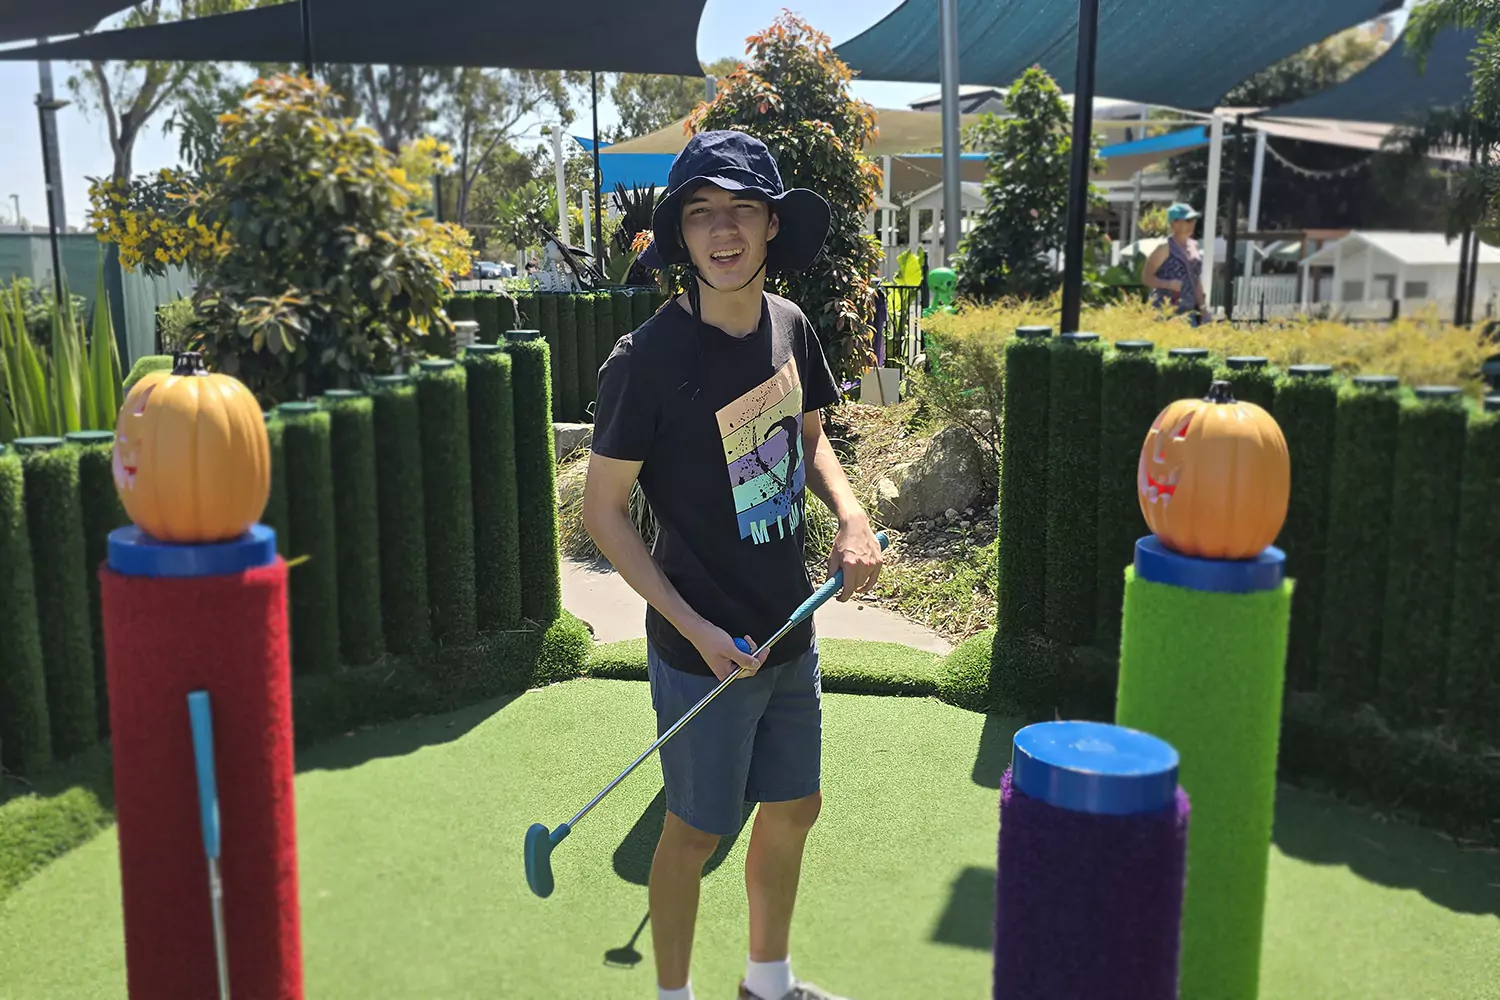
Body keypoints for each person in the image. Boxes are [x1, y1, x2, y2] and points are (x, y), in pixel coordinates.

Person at [583, 130, 884, 1000]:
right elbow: (604, 513)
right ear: (679, 233)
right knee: (694, 832)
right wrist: (694, 629)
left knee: (795, 807)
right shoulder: (645, 361)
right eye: (702, 212)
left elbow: (810, 439)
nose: (723, 230)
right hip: (701, 650)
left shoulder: (790, 326)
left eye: (743, 209)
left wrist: (852, 515)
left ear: (771, 226)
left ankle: (766, 982)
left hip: (788, 627)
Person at [1144, 203, 1209, 325]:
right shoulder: (1164, 248)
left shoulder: (1194, 246)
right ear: (1174, 223)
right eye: (1188, 220)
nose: (1192, 224)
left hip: (1189, 314)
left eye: (1194, 220)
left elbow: (1196, 279)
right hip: (1165, 313)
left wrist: (1203, 308)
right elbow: (1146, 278)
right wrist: (1167, 284)